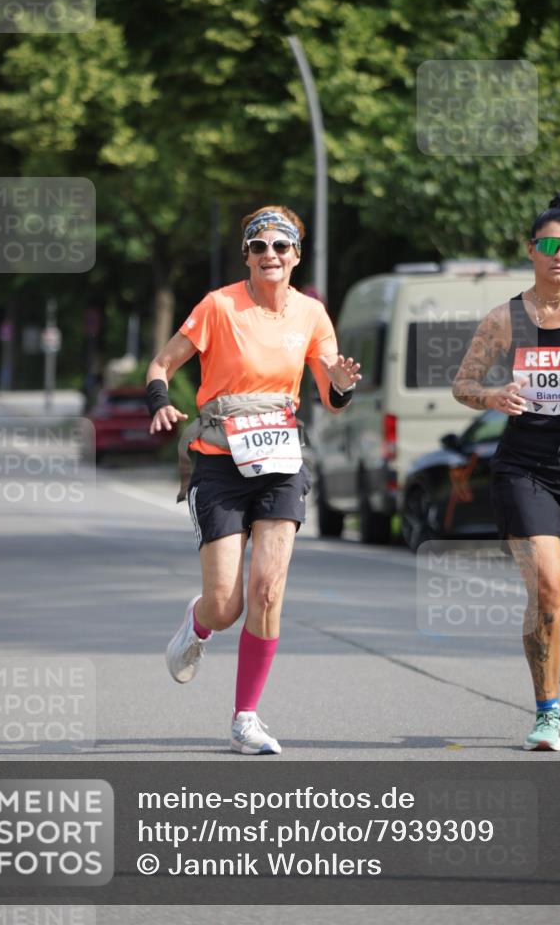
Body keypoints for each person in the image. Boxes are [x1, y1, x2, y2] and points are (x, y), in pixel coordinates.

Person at [145, 205, 361, 754]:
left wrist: (340, 384)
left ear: (296, 256)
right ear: (246, 255)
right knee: (227, 606)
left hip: (280, 463)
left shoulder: (311, 314)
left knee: (267, 590)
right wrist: (160, 402)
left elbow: (332, 399)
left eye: (281, 246)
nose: (271, 255)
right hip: (219, 462)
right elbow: (161, 364)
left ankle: (245, 718)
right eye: (259, 246)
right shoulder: (218, 306)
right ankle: (198, 624)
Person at [452, 192, 560, 752]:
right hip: (526, 468)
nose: (558, 255)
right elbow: (463, 383)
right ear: (532, 251)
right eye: (548, 245)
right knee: (547, 587)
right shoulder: (507, 318)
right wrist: (493, 396)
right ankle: (547, 714)